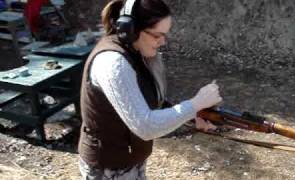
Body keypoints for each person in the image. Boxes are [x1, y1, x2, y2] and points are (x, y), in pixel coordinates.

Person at [78, 0, 222, 179]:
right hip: (108, 166)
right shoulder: (113, 63)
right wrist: (195, 104)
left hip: (130, 158)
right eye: (156, 36)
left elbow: (152, 104)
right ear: (130, 29)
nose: (162, 42)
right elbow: (145, 126)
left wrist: (193, 117)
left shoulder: (136, 51)